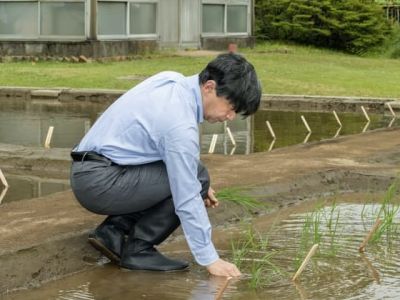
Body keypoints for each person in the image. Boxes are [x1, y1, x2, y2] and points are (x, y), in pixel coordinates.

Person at [70, 52, 261, 277]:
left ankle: (112, 232)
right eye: (230, 107)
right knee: (196, 179)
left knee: (195, 173)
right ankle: (138, 249)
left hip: (93, 170)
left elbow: (159, 144)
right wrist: (210, 259)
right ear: (209, 87)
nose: (230, 117)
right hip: (99, 181)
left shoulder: (171, 80)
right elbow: (187, 196)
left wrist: (195, 176)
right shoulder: (180, 123)